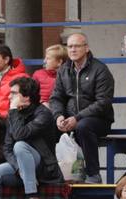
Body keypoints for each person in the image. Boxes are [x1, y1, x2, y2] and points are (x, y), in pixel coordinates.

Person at [0, 76, 61, 199]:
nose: (9, 97)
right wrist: (18, 168)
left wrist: (13, 111)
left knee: (20, 145)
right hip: (20, 167)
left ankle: (32, 195)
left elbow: (20, 134)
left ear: (26, 97)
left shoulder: (43, 114)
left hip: (44, 167)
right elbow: (7, 148)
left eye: (14, 93)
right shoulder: (14, 115)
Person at [47, 32, 115, 185]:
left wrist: (77, 118)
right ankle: (52, 174)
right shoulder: (64, 70)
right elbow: (56, 97)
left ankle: (93, 174)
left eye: (77, 46)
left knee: (83, 127)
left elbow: (103, 102)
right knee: (46, 125)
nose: (73, 49)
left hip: (98, 120)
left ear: (86, 48)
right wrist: (58, 116)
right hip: (69, 119)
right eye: (70, 46)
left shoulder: (100, 69)